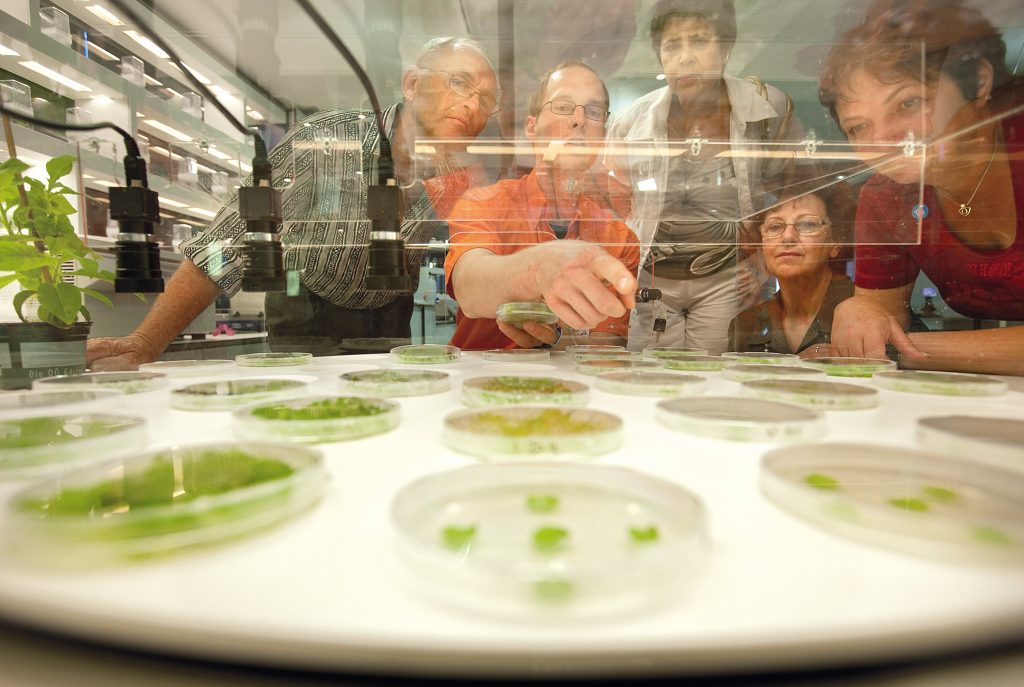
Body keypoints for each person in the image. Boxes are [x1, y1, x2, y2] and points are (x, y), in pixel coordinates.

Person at [87, 37, 499, 369]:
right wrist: (145, 341)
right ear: (411, 84)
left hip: (390, 322)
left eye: (486, 101)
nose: (472, 106)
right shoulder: (326, 141)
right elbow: (226, 244)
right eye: (460, 83)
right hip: (308, 317)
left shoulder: (456, 176)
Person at [819, 0, 1024, 375]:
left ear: (979, 81)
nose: (884, 140)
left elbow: (885, 349)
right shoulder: (887, 198)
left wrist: (904, 349)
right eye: (859, 127)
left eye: (908, 103)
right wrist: (860, 311)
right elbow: (879, 326)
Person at [605, 0, 802, 355]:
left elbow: (796, 195)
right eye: (672, 45)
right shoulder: (631, 122)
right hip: (653, 278)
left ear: (726, 48)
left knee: (717, 373)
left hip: (729, 280)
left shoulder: (766, 110)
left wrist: (762, 261)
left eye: (699, 41)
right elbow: (611, 205)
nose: (685, 58)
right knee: (647, 374)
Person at [444, 61, 639, 350]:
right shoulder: (484, 204)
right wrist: (539, 270)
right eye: (563, 106)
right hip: (483, 372)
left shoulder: (620, 239)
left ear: (602, 135)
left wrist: (557, 338)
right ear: (532, 128)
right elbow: (469, 289)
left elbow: (604, 346)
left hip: (573, 378)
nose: (579, 120)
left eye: (594, 111)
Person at [729, 181, 855, 355]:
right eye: (774, 227)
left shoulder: (861, 312)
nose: (788, 237)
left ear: (836, 242)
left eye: (807, 224)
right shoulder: (745, 325)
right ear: (762, 245)